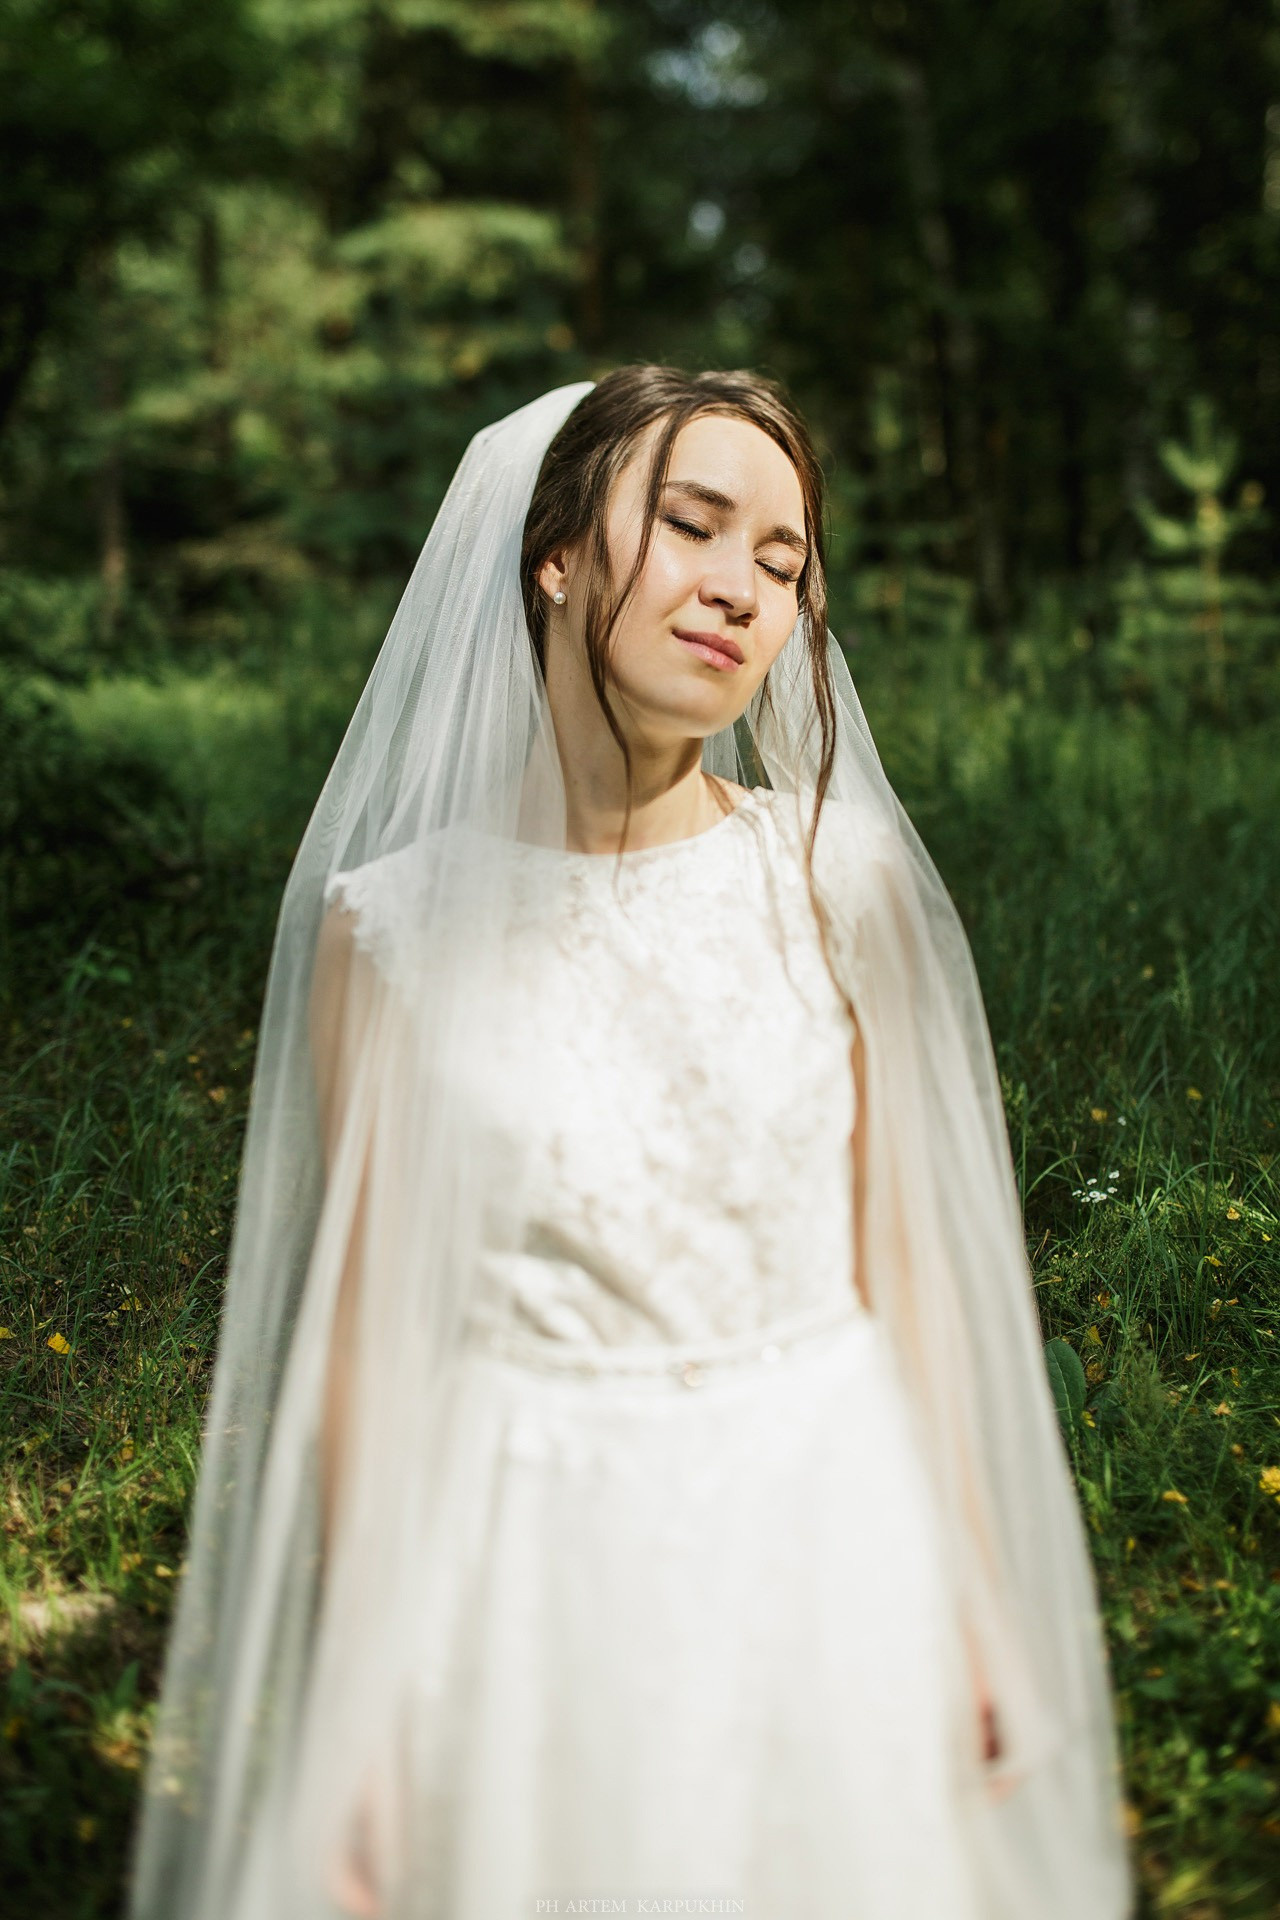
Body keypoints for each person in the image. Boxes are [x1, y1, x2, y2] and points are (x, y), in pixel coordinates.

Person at [127, 368, 1133, 1920]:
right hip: (527, 1569)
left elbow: (914, 1271)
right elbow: (372, 1347)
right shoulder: (384, 931)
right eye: (693, 525)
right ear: (555, 553)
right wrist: (367, 1712)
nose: (741, 587)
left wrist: (982, 1598)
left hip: (824, 1532)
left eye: (786, 563)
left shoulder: (836, 882)